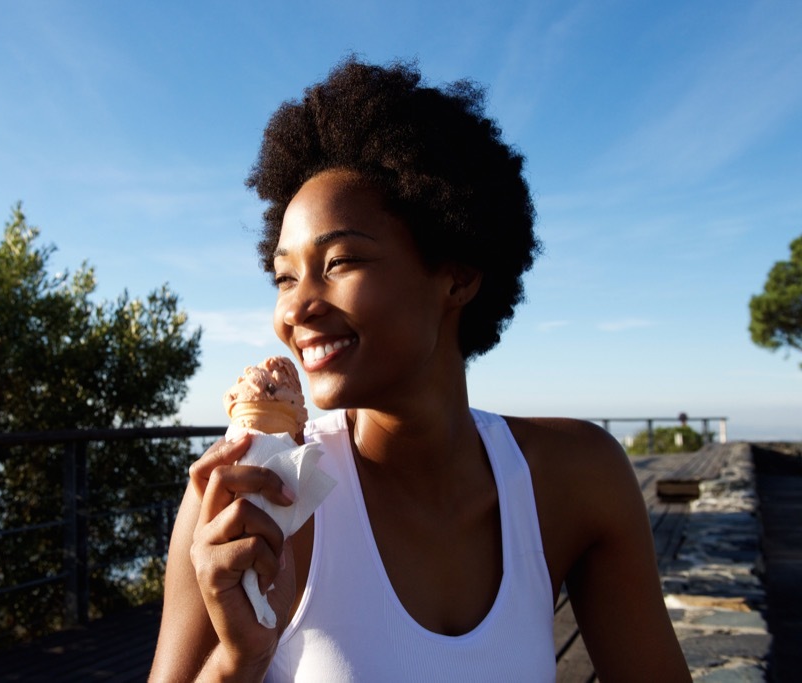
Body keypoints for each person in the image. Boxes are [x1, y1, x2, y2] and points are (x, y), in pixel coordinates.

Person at [150, 58, 690, 682]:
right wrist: (238, 659)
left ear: (457, 275)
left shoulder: (577, 478)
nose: (295, 308)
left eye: (342, 260)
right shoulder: (250, 501)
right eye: (285, 276)